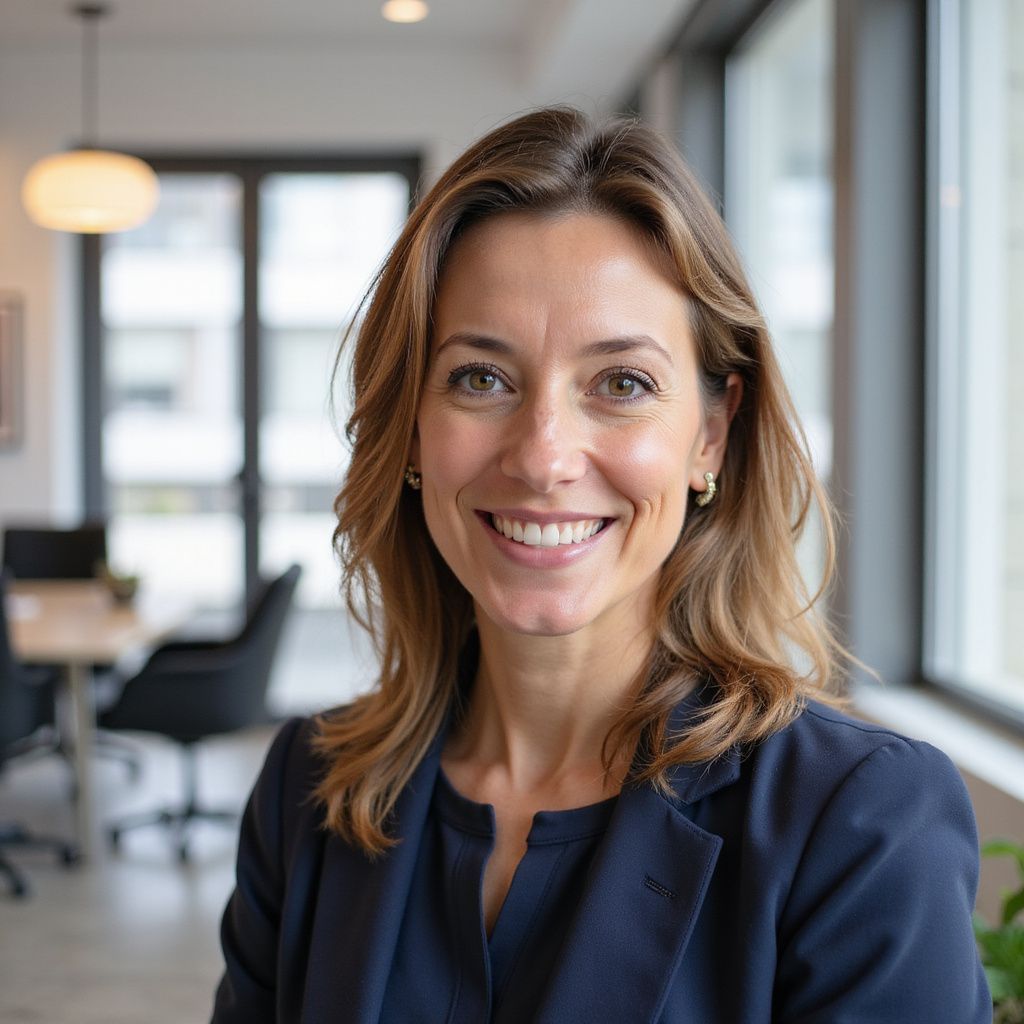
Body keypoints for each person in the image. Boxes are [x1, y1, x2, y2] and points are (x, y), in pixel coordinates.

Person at [211, 107, 990, 1023]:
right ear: (412, 426)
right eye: (479, 377)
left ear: (711, 433)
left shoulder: (858, 822)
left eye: (621, 384)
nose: (543, 457)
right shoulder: (309, 791)